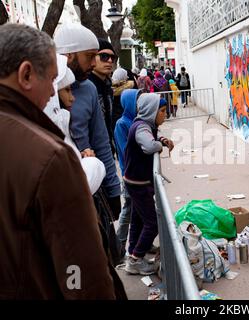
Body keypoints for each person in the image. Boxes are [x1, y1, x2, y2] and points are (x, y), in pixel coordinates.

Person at [0, 23, 122, 299]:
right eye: (53, 84)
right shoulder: (49, 157)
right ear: (27, 74)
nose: (57, 99)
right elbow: (78, 271)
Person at [54, 24, 122, 220]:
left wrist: (113, 188)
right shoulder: (42, 90)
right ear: (69, 56)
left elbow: (101, 141)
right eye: (90, 56)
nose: (94, 63)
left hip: (92, 187)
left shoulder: (88, 88)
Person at [123, 94, 174, 275]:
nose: (164, 114)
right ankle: (136, 260)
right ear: (151, 111)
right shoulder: (141, 127)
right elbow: (149, 146)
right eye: (161, 111)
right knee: (152, 223)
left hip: (136, 181)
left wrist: (161, 140)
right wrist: (159, 145)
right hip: (138, 184)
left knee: (138, 219)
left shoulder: (145, 126)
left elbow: (152, 140)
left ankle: (133, 253)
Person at [44, 54, 106, 195]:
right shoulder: (47, 131)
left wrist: (79, 156)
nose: (72, 97)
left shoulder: (62, 122)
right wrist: (93, 164)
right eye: (67, 90)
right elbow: (71, 188)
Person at [114, 88, 139, 257]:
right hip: (129, 175)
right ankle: (119, 246)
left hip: (137, 174)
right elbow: (125, 151)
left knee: (138, 210)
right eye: (136, 101)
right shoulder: (122, 124)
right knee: (129, 209)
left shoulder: (135, 120)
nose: (138, 104)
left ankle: (137, 243)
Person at [88, 38, 117, 156]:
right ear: (93, 58)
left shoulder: (108, 86)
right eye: (104, 56)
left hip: (107, 150)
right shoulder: (86, 86)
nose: (109, 61)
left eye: (112, 58)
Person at [112, 67, 134, 134]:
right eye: (125, 76)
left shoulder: (108, 90)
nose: (127, 77)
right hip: (123, 117)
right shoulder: (128, 90)